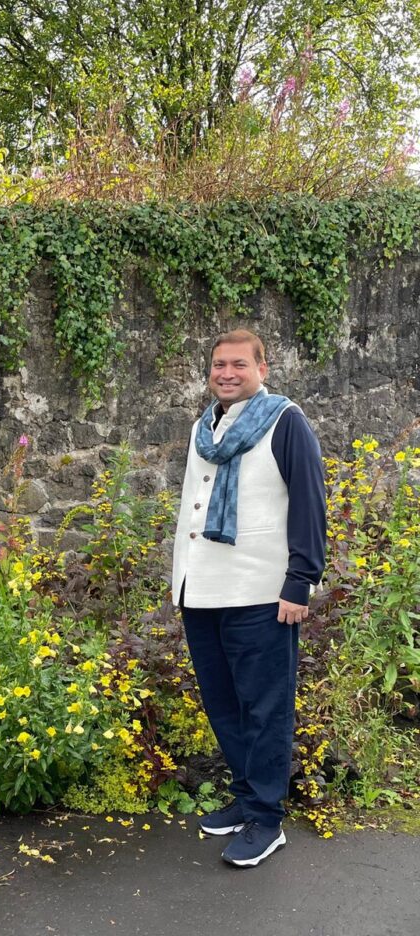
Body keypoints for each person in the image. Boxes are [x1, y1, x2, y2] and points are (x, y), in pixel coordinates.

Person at [171, 329, 326, 867]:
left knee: (265, 706)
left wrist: (300, 580)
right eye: (218, 364)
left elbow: (309, 500)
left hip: (262, 590)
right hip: (204, 589)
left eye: (239, 364)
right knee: (224, 703)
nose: (227, 373)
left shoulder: (286, 422)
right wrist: (183, 583)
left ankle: (266, 818)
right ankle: (245, 798)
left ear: (263, 367)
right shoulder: (203, 427)